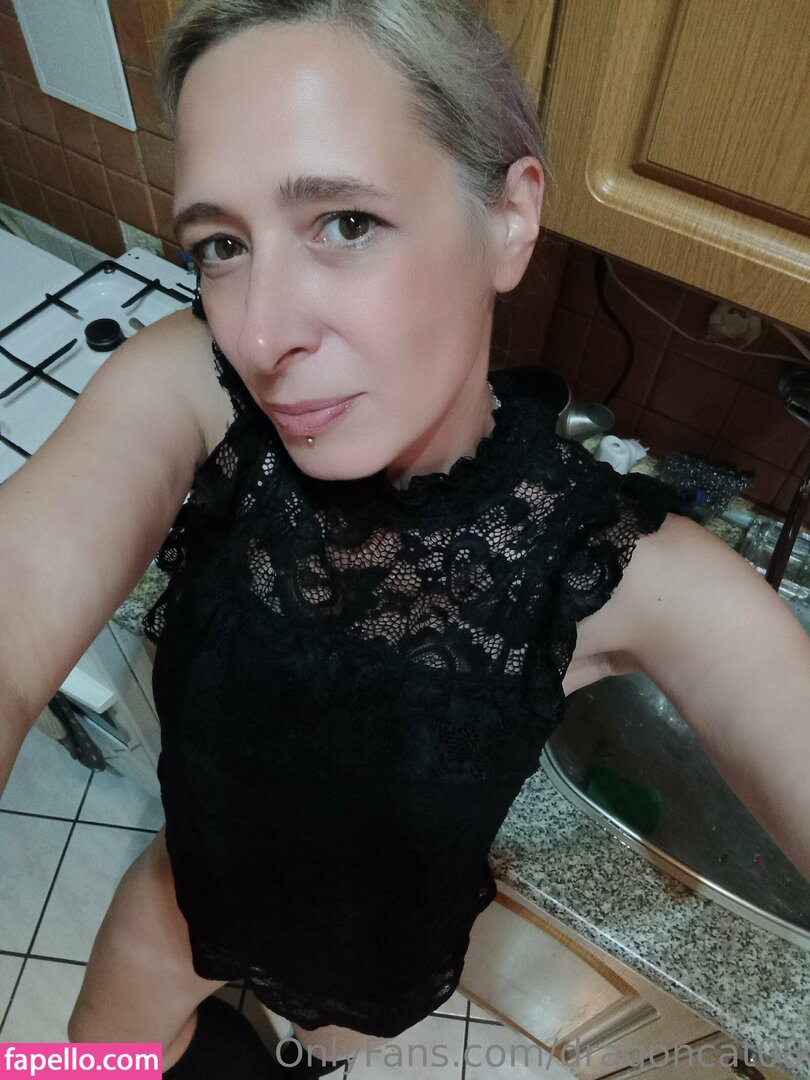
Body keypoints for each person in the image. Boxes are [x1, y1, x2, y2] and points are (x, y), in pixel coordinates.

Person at [1, 0, 808, 1076]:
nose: (260, 331)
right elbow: (16, 597)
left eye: (344, 223)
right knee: (78, 1065)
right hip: (178, 902)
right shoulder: (193, 386)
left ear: (509, 217)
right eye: (222, 245)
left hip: (374, 958)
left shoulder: (614, 567)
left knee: (318, 1050)